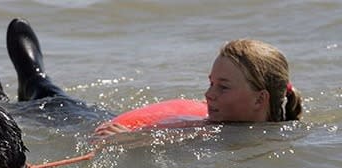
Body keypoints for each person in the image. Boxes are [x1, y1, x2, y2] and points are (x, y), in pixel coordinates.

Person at [94, 39, 303, 136]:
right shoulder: (207, 128)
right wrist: (125, 137)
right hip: (110, 120)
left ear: (260, 99)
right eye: (211, 83)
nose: (209, 94)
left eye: (223, 87)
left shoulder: (286, 135)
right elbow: (158, 137)